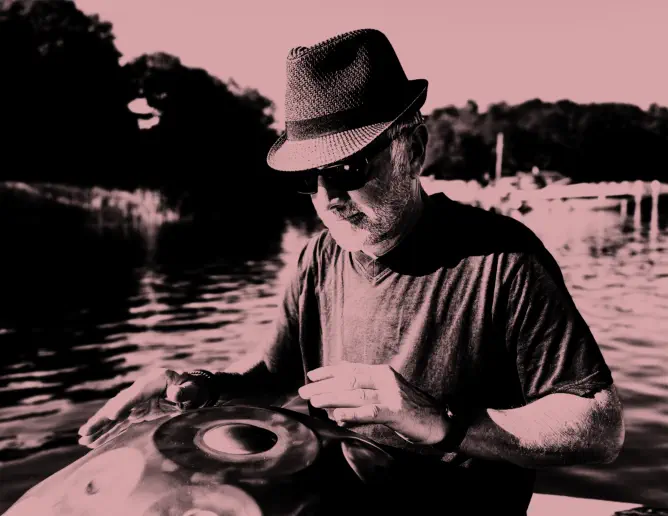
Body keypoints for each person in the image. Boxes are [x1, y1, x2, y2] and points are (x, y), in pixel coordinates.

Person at [78, 29, 624, 514]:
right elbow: (275, 378)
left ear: (414, 149)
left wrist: (441, 422)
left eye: (347, 167)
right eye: (308, 178)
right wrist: (198, 386)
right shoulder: (319, 258)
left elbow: (600, 426)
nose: (327, 198)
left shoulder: (503, 258)